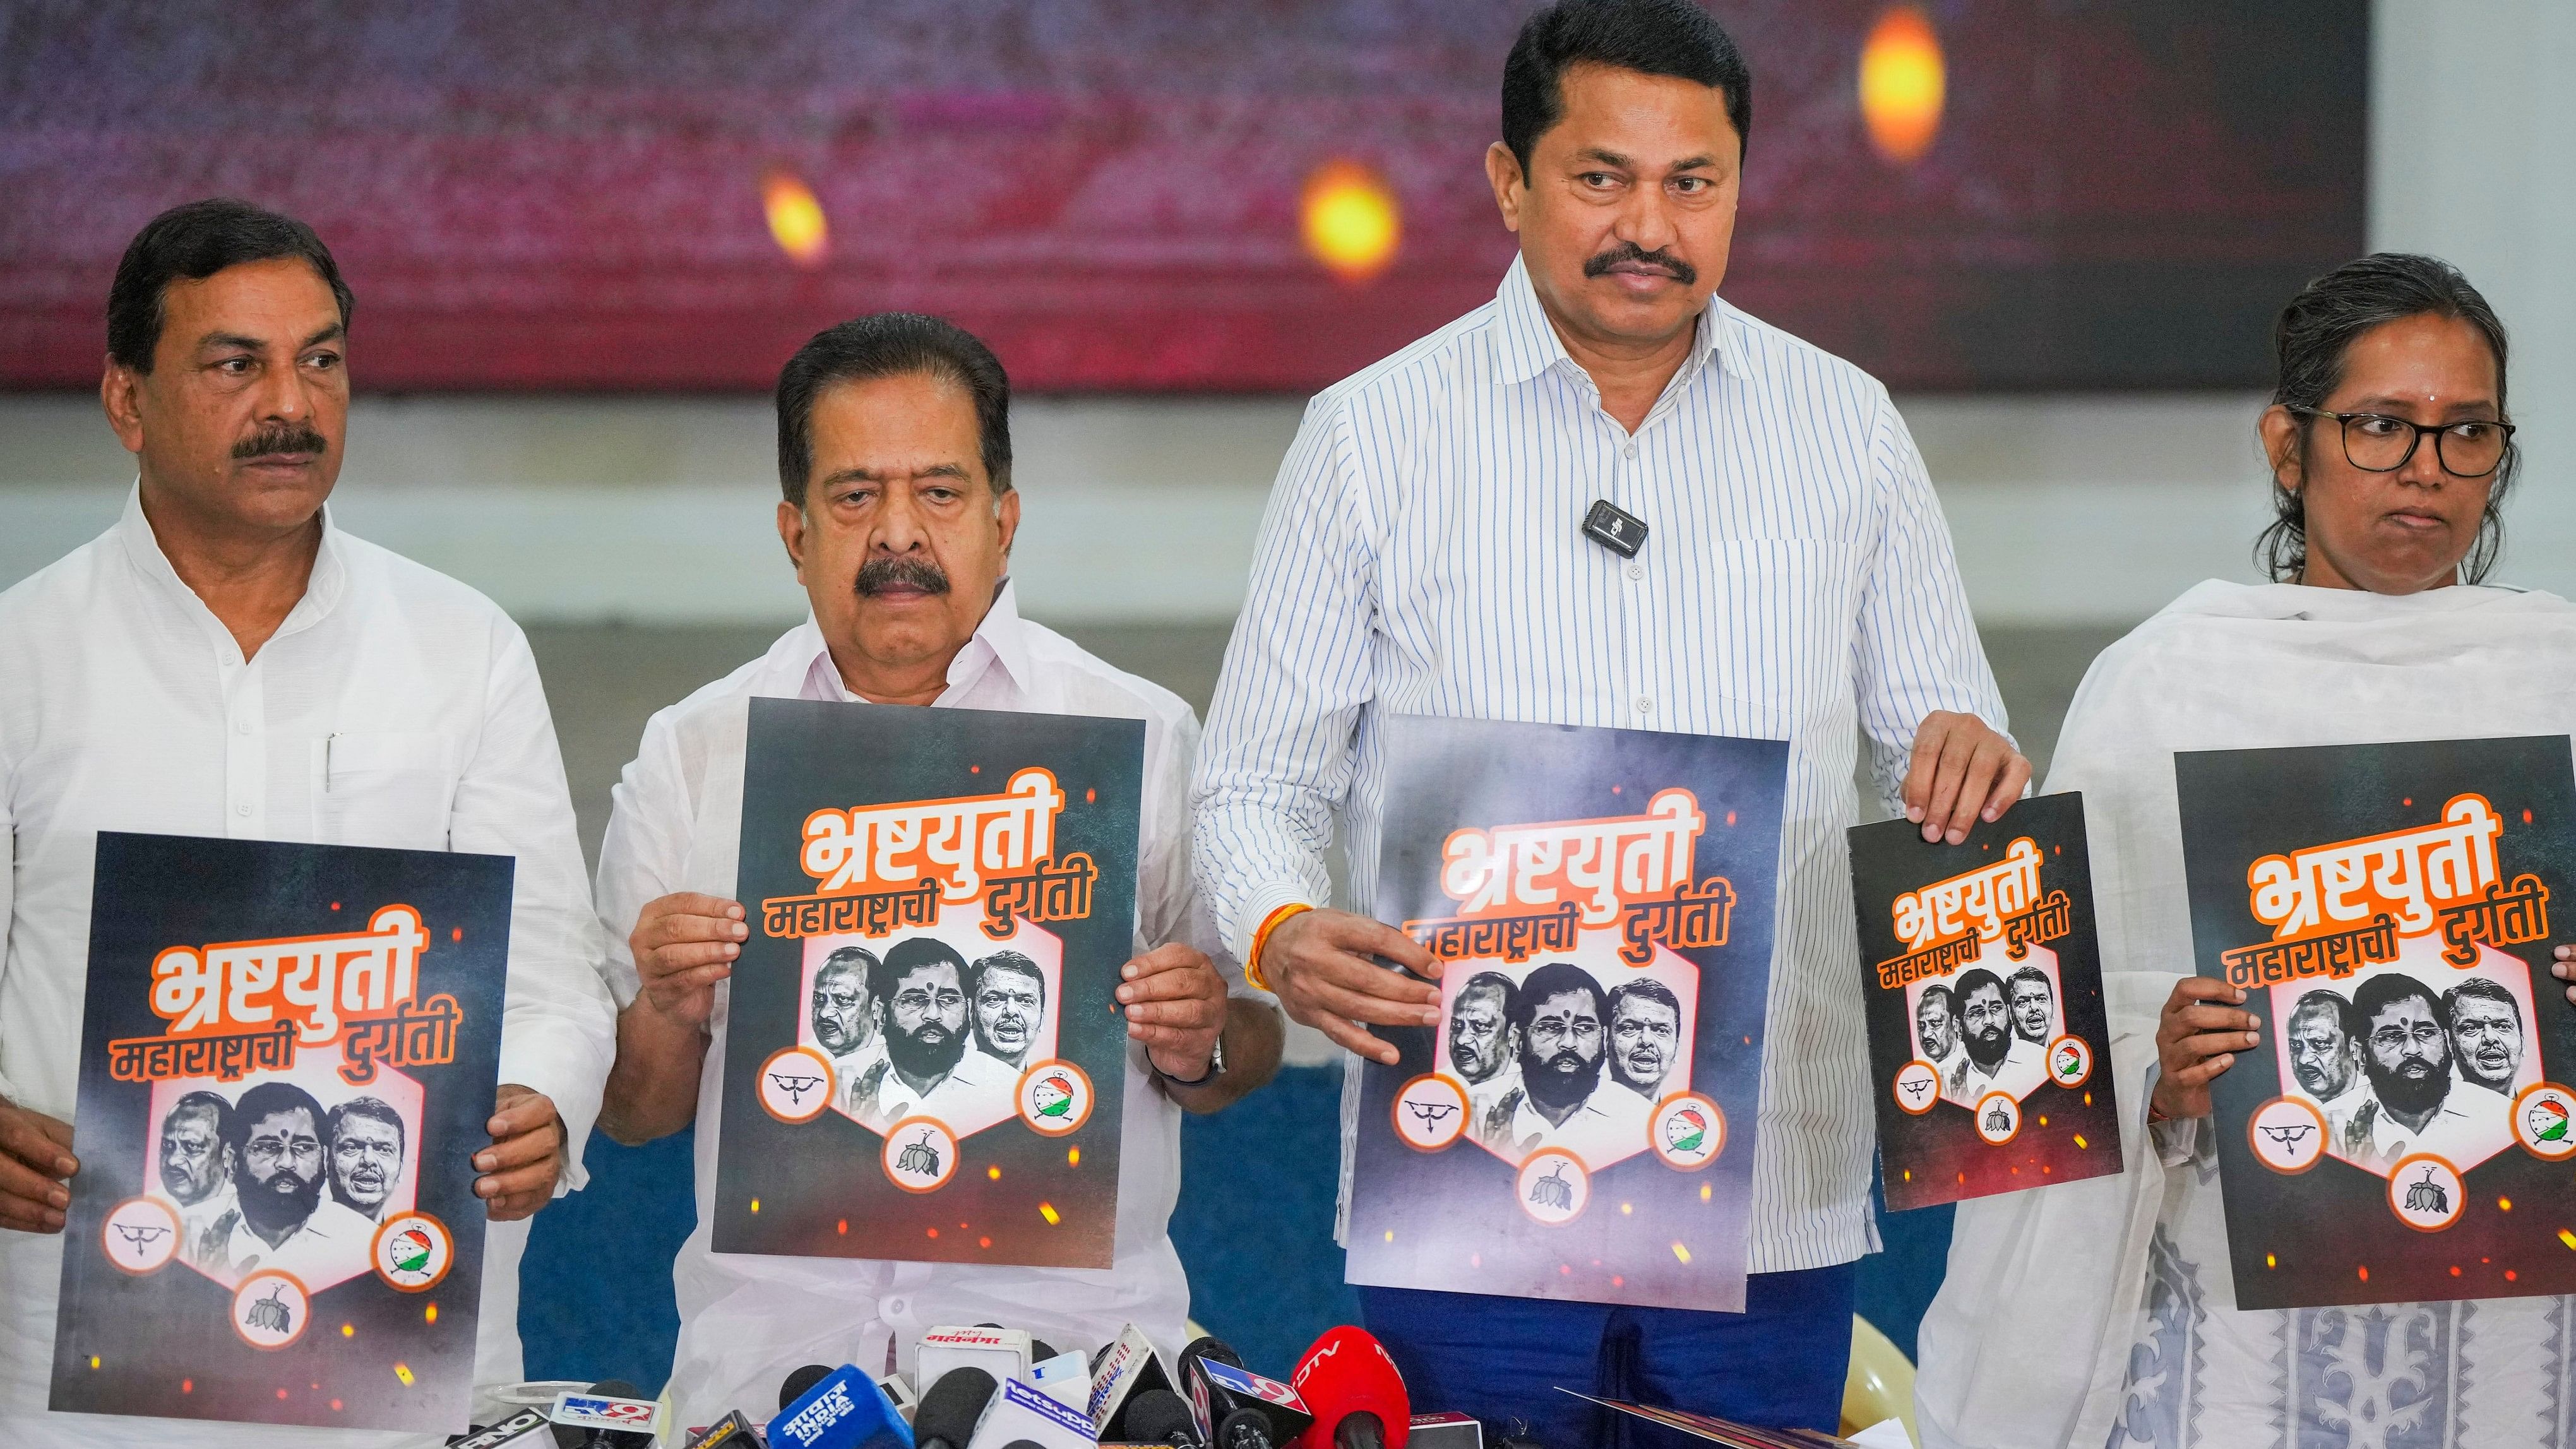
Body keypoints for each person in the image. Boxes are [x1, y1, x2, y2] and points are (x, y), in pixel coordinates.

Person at [1190, 1, 2024, 1431]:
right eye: (1599, 177)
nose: (1648, 222)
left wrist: (1968, 755)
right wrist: (1276, 929)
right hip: (1464, 1183)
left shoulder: (1843, 429)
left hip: (1769, 1184)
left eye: (1689, 182)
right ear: (1507, 180)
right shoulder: (1371, 433)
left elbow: (1949, 745)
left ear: (1737, 189)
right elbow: (1251, 784)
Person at [1916, 254, 2575, 1449]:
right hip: (2237, 1350)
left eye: (2466, 432)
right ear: (2290, 447)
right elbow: (2032, 1059)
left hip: (2518, 1347)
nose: (2426, 468)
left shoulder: (2561, 681)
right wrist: (2159, 1071)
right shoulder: (2166, 686)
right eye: (2381, 427)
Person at [591, 312, 1285, 1419]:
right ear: (794, 530)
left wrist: (1200, 1033)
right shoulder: (698, 750)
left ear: (1005, 523)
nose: (898, 534)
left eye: (942, 494)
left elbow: (1247, 1052)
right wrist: (672, 1005)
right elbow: (634, 1111)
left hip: (1072, 1380)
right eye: (855, 495)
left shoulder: (1140, 735)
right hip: (773, 1384)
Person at [0, 199, 616, 1445]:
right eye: (238, 364)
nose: (292, 402)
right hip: (69, 1376)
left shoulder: (463, 650)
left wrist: (546, 1100)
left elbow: (557, 984)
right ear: (127, 401)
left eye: (320, 359)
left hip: (402, 1364)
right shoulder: (20, 657)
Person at [202, 1081, 375, 1282]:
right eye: (267, 1147)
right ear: (232, 1162)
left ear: (325, 1160)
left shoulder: (364, 1243)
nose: (286, 1163)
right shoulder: (189, 1233)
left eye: (304, 1148)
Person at [1476, 962, 1646, 1163]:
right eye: (1550, 1027)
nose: (1568, 1043)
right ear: (1517, 1040)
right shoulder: (1472, 1112)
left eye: (1585, 1027)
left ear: (1606, 1039)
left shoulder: (1641, 1121)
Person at [848, 937, 996, 1130]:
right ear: (880, 1013)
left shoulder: (1006, 1089)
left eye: (949, 999)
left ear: (969, 1012)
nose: (933, 1015)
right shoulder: (837, 1085)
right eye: (915, 999)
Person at [2339, 972, 2482, 1167]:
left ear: (2448, 1042)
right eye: (2391, 1036)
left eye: (2426, 1032)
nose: (2413, 1050)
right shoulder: (2329, 1130)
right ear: (2361, 1055)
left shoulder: (2499, 1117)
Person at [2282, 988, 2376, 1142]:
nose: (2304, 1060)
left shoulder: (2387, 1113)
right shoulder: (2283, 1112)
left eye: (2319, 1044)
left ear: (2354, 1048)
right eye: (2295, 1045)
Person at [158, 1090, 237, 1268]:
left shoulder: (247, 1229)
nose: (172, 1160)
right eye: (167, 1145)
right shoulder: (150, 1218)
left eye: (192, 1146)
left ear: (228, 1156)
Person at [1943, 969, 2042, 1102]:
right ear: (1958, 1026)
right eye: (1977, 1012)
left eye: (1996, 1008)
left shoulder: (2041, 1062)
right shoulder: (1942, 1080)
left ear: (2009, 1013)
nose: (1989, 1020)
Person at [811, 945, 886, 1112]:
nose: (824, 1013)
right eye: (819, 998)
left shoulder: (898, 1078)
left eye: (843, 999)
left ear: (876, 1010)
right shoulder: (801, 1067)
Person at [326, 1095, 407, 1222]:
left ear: (401, 1169)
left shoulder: (403, 1243)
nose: (369, 1160)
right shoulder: (294, 1241)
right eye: (352, 1147)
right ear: (327, 1161)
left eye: (384, 1150)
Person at [2441, 974, 2522, 1097]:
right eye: (2471, 1028)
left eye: (2503, 1027)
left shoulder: (2548, 1116)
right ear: (2449, 1044)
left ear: (2523, 1041)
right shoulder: (2433, 1116)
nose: (2490, 1038)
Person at [969, 949, 1047, 1074]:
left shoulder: (1051, 1093)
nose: (1011, 1011)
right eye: (995, 999)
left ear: (1042, 1018)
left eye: (1026, 1001)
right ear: (971, 1013)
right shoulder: (938, 1092)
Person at [1605, 977, 1683, 1100]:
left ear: (1677, 1049)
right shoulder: (1573, 1118)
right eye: (1630, 1028)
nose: (1646, 1041)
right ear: (1606, 1041)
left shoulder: (1679, 1120)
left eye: (1661, 1031)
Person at [2005, 965, 2054, 1048]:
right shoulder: (2002, 1061)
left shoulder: (2069, 1060)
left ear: (2053, 1008)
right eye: (2023, 1002)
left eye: (2041, 999)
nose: (2034, 1008)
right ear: (2010, 1013)